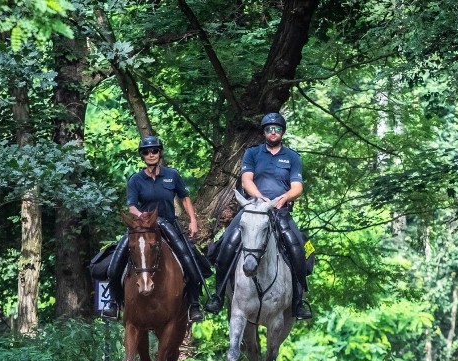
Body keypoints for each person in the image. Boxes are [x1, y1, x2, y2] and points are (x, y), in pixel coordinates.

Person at [204, 112, 312, 320]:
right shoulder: (252, 153)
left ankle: (298, 301)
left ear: (282, 132)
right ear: (264, 132)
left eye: (277, 129)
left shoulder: (292, 156)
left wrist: (284, 197)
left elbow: (297, 186)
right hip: (253, 209)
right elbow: (246, 180)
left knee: (298, 247)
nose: (273, 132)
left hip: (280, 210)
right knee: (227, 243)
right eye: (269, 129)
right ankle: (217, 295)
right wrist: (260, 198)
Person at [102, 135, 206, 322]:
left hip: (168, 224)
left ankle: (194, 304)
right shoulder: (135, 179)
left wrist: (192, 219)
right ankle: (114, 303)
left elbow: (185, 197)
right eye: (147, 152)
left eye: (154, 151)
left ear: (160, 153)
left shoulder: (172, 175)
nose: (151, 154)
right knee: (115, 261)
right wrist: (140, 215)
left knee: (190, 260)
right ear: (142, 155)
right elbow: (131, 205)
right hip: (143, 227)